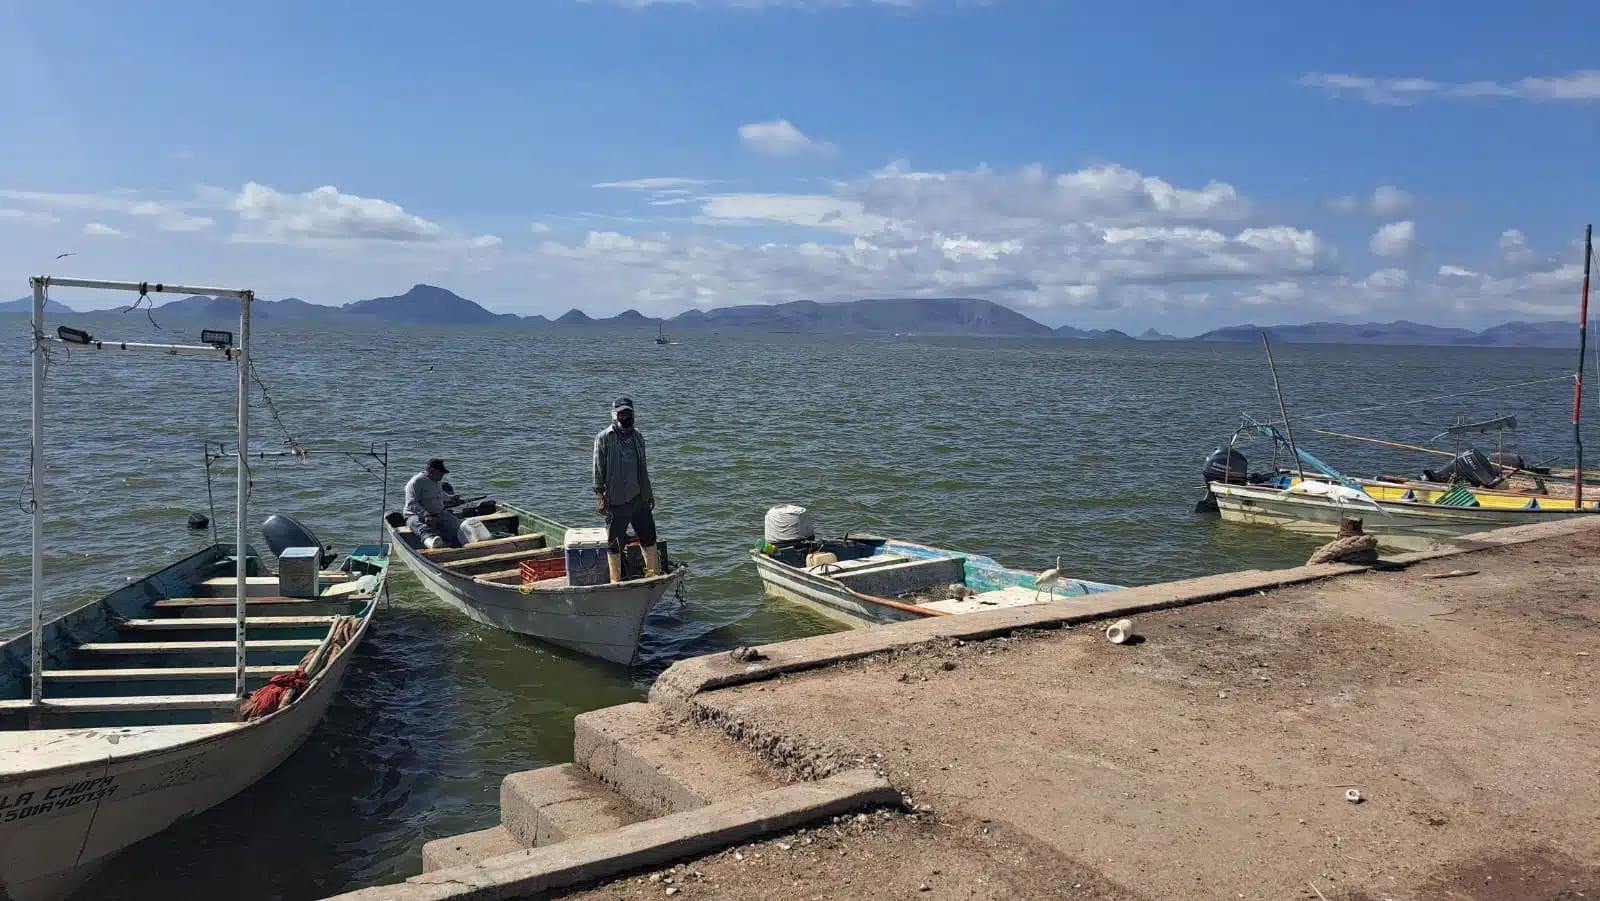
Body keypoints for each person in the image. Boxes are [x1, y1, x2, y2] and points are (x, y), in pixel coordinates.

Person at [592, 397, 659, 583]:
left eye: (628, 413)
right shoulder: (603, 438)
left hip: (639, 498)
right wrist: (600, 497)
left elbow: (643, 468)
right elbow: (597, 470)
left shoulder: (638, 437)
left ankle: (652, 576)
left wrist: (649, 493)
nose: (625, 416)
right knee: (615, 542)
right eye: (621, 413)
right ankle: (615, 580)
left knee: (649, 537)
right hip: (615, 499)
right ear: (614, 415)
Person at [405, 458, 463, 549]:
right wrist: (426, 515)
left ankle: (455, 542)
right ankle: (431, 542)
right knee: (421, 527)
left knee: (455, 523)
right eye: (441, 473)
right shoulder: (416, 482)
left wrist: (450, 498)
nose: (442, 476)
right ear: (432, 471)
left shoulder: (437, 481)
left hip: (437, 513)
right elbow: (412, 504)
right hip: (415, 515)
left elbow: (440, 494)